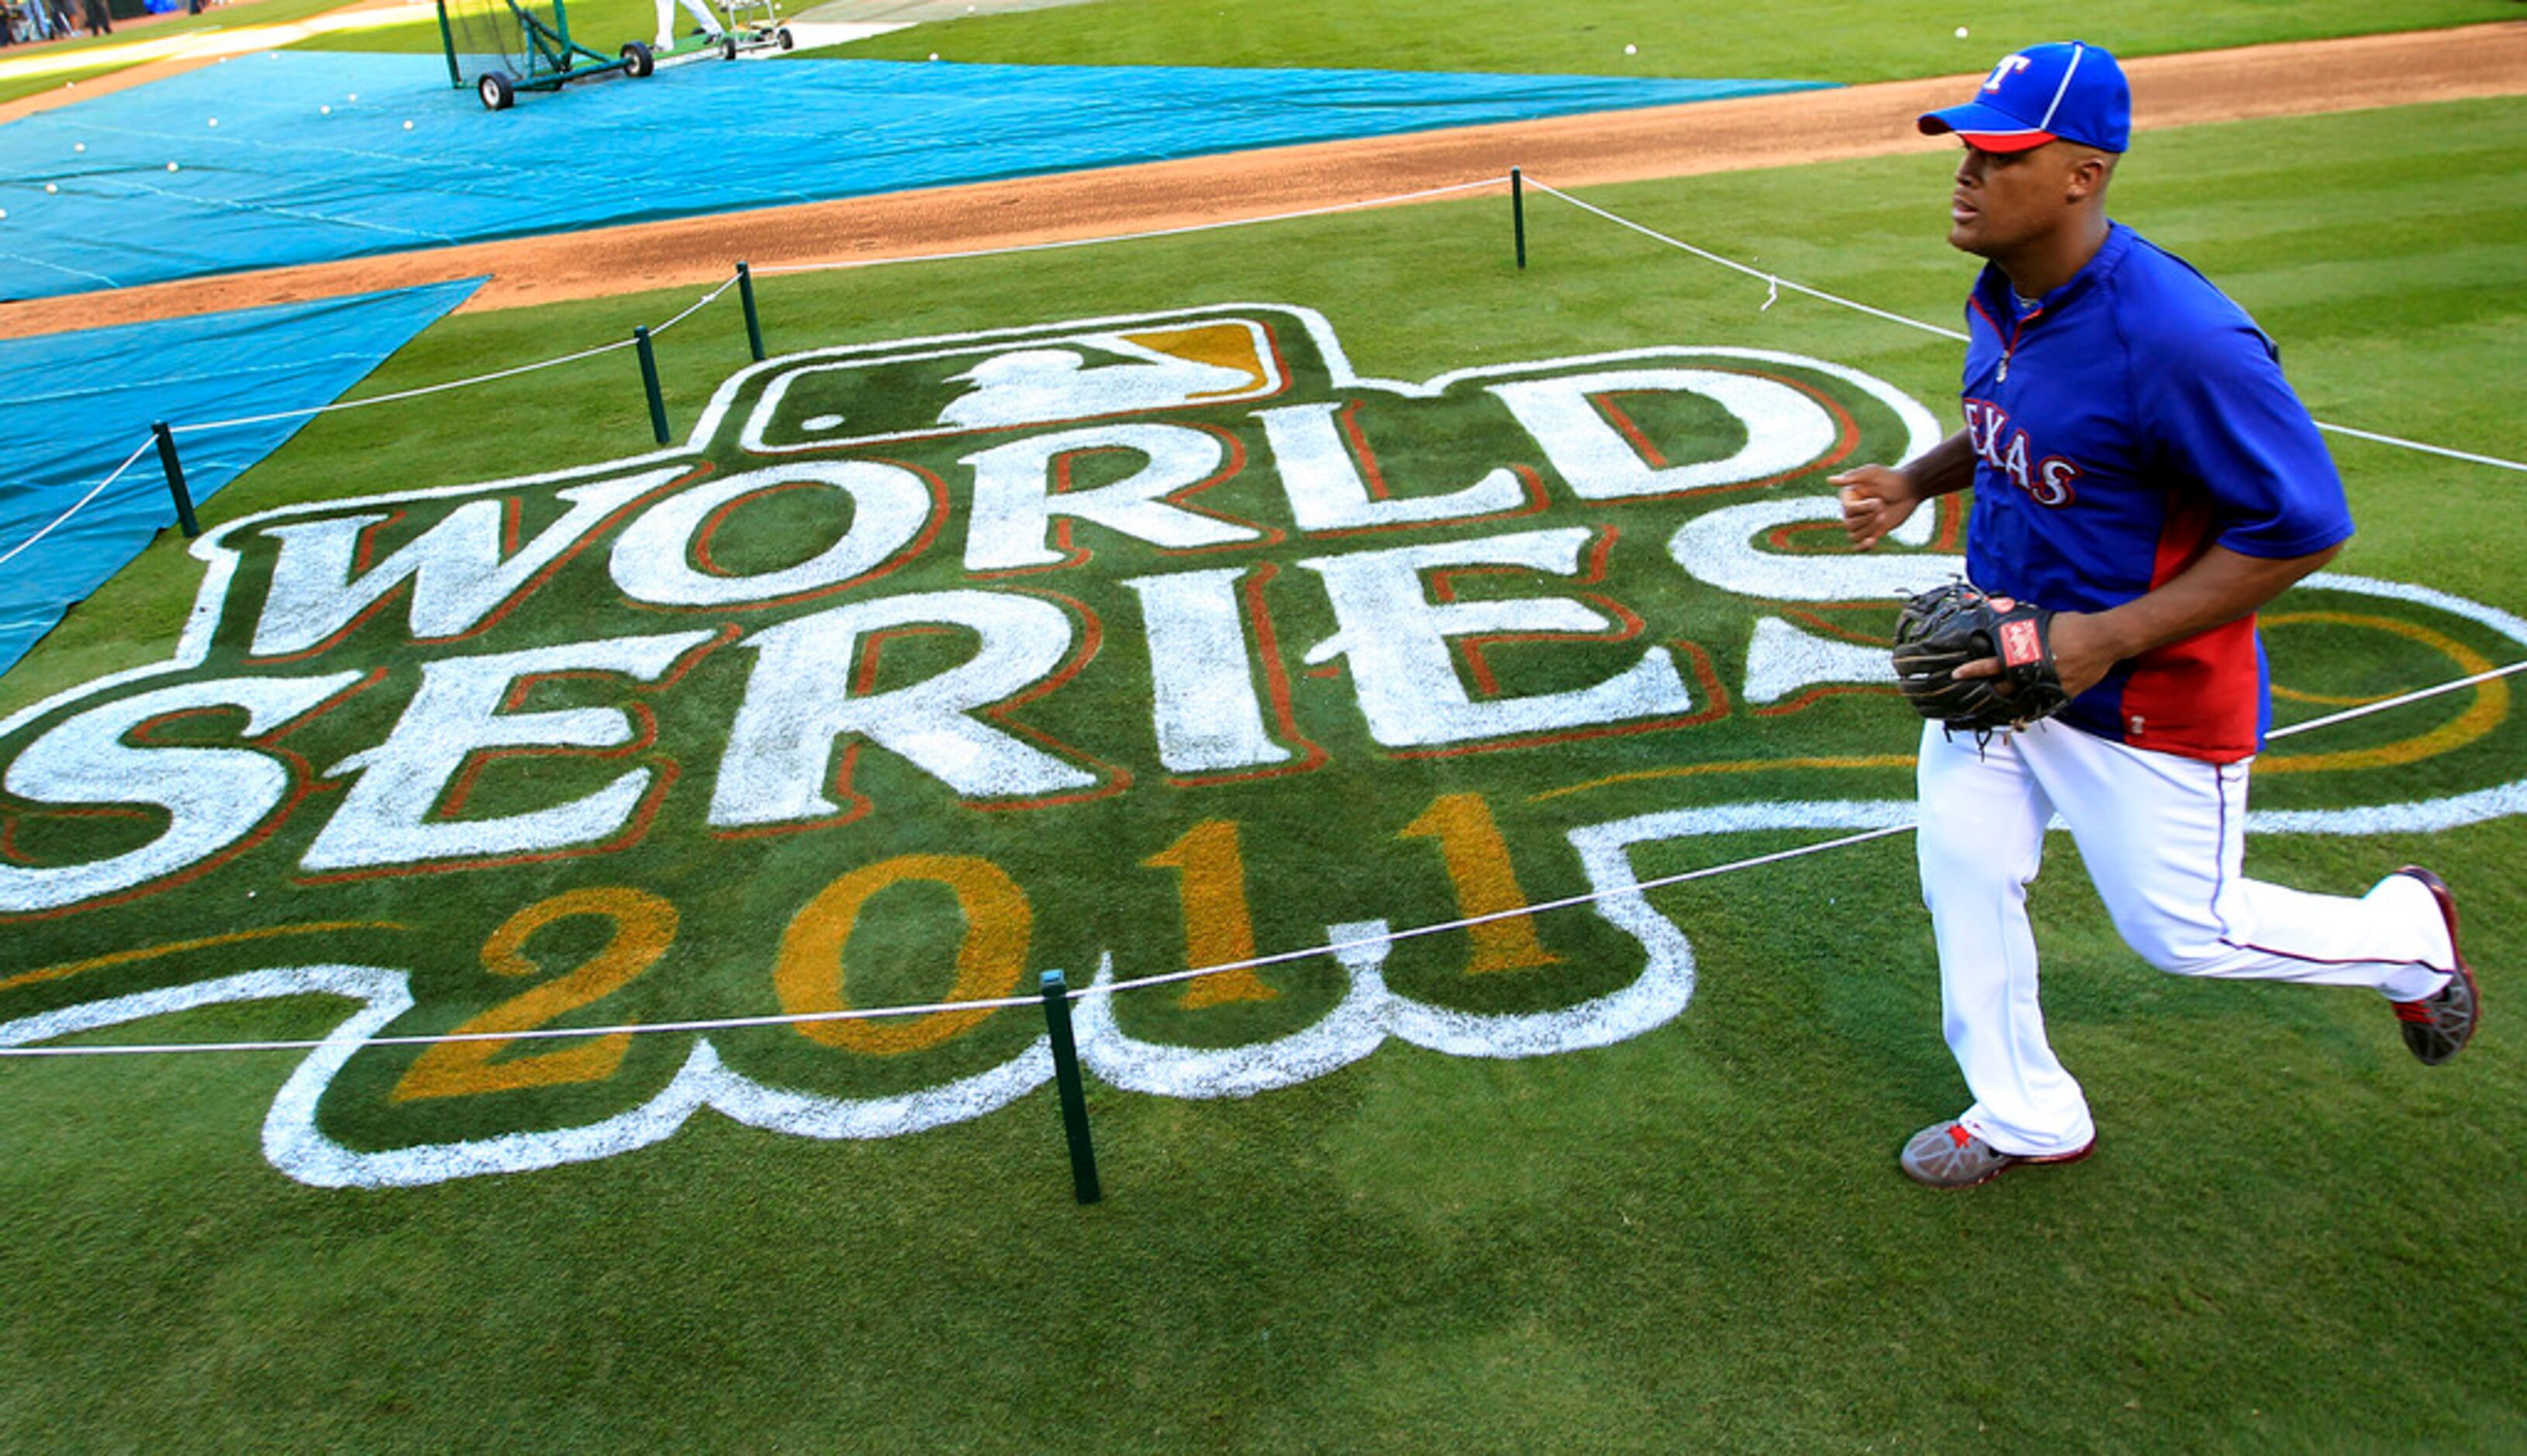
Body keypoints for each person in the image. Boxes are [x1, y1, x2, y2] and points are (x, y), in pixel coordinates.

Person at [1831, 40, 2481, 1190]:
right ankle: (2026, 1110)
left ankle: (2407, 936)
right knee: (1966, 878)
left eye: (2000, 151)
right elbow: (2013, 425)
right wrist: (1918, 482)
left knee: (2186, 933)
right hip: (2001, 657)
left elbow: (2305, 524)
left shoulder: (2181, 340)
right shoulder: (2009, 291)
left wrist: (2109, 636)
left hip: (2147, 697)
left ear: (2083, 174)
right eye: (1965, 146)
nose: (1966, 171)